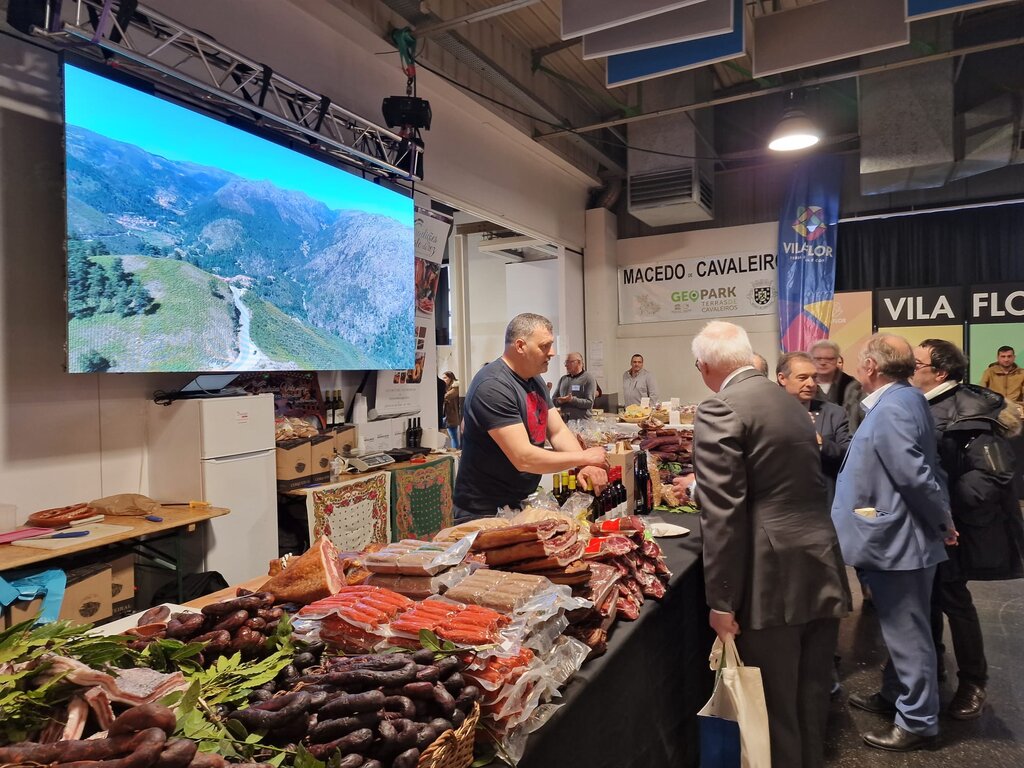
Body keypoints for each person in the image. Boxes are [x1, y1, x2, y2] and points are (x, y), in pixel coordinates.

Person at [691, 321, 849, 768]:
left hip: (770, 578)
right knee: (809, 699)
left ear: (705, 366)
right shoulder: (791, 402)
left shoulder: (720, 407)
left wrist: (721, 601)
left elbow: (723, 514)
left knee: (773, 710)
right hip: (819, 559)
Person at [831, 334, 956, 752]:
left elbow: (915, 476)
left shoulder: (893, 407)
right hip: (894, 537)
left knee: (908, 634)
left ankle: (918, 721)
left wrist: (942, 521)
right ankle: (894, 695)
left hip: (899, 542)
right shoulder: (906, 398)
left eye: (859, 360)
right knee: (900, 629)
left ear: (871, 367)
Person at [911, 339, 1024, 719]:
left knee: (953, 600)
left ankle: (974, 681)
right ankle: (933, 671)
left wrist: (945, 508)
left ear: (940, 372)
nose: (910, 369)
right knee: (926, 600)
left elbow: (993, 474)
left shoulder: (969, 410)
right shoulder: (921, 404)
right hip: (927, 524)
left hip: (953, 527)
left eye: (917, 363)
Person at [453, 313, 608, 520]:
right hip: (483, 510)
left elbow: (558, 431)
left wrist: (584, 465)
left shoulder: (535, 380)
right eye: (544, 346)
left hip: (519, 501)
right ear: (520, 346)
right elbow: (523, 458)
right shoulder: (492, 386)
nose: (552, 352)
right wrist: (584, 457)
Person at [776, 352, 851, 506]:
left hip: (823, 503)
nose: (811, 384)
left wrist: (820, 442)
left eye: (814, 377)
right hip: (781, 503)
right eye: (802, 378)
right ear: (782, 378)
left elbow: (848, 455)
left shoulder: (834, 414)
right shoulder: (768, 413)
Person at [809, 339, 864, 433]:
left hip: (848, 437)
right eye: (818, 359)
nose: (823, 363)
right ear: (811, 360)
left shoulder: (854, 387)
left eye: (829, 359)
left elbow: (863, 417)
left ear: (837, 360)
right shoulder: (804, 386)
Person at [554, 352, 597, 422]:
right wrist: (560, 401)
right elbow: (553, 401)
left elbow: (589, 403)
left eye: (569, 362)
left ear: (579, 362)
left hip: (582, 423)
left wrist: (572, 400)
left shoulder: (589, 379)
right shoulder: (563, 379)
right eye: (565, 362)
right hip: (565, 422)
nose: (566, 365)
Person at [979, 345, 1024, 409]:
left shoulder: (1022, 373)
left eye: (1009, 356)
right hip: (995, 407)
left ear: (1014, 357)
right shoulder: (989, 372)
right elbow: (982, 391)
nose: (1006, 359)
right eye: (1003, 356)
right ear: (997, 357)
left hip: (1016, 408)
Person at [442, 371, 462, 450]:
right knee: (451, 435)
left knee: (453, 435)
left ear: (450, 378)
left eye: (445, 378)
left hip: (452, 414)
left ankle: (455, 451)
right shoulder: (447, 387)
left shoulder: (455, 387)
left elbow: (446, 396)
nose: (444, 380)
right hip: (447, 414)